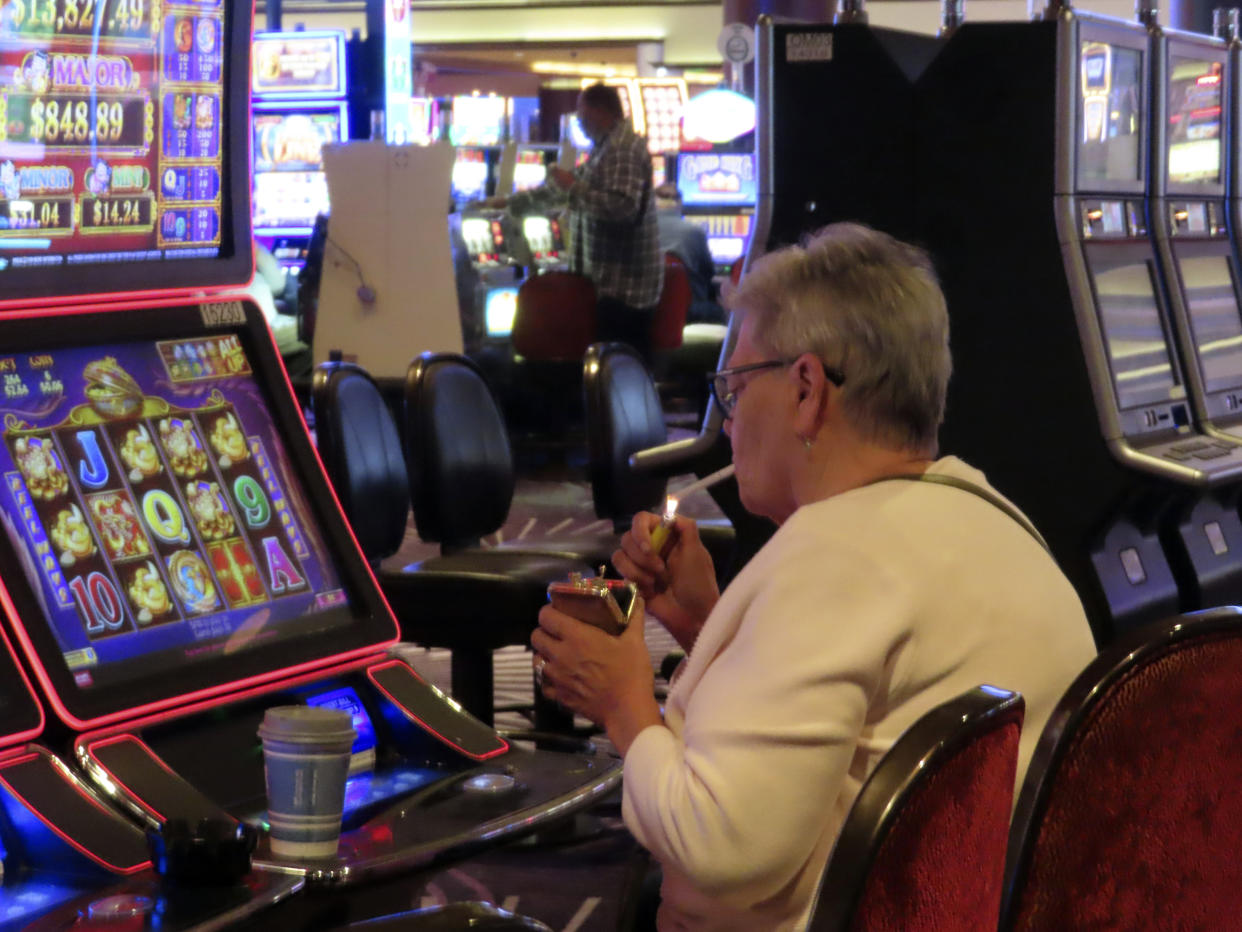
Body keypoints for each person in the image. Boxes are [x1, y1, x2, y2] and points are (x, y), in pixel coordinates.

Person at [530, 222, 1096, 931]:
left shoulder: (836, 551)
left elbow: (720, 844)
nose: (729, 425)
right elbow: (839, 723)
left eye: (733, 389)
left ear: (805, 389)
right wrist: (708, 623)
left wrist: (622, 702)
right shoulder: (996, 518)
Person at [486, 83, 663, 357]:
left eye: (582, 115)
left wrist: (572, 187)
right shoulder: (606, 147)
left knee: (619, 373)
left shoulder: (621, 148)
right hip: (613, 285)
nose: (579, 123)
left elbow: (622, 209)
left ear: (599, 111)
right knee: (610, 370)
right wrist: (510, 202)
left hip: (624, 289)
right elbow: (564, 190)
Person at [653, 183, 725, 325]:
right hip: (689, 311)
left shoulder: (641, 232)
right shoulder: (694, 231)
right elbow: (708, 272)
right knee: (725, 310)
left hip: (648, 310)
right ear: (679, 204)